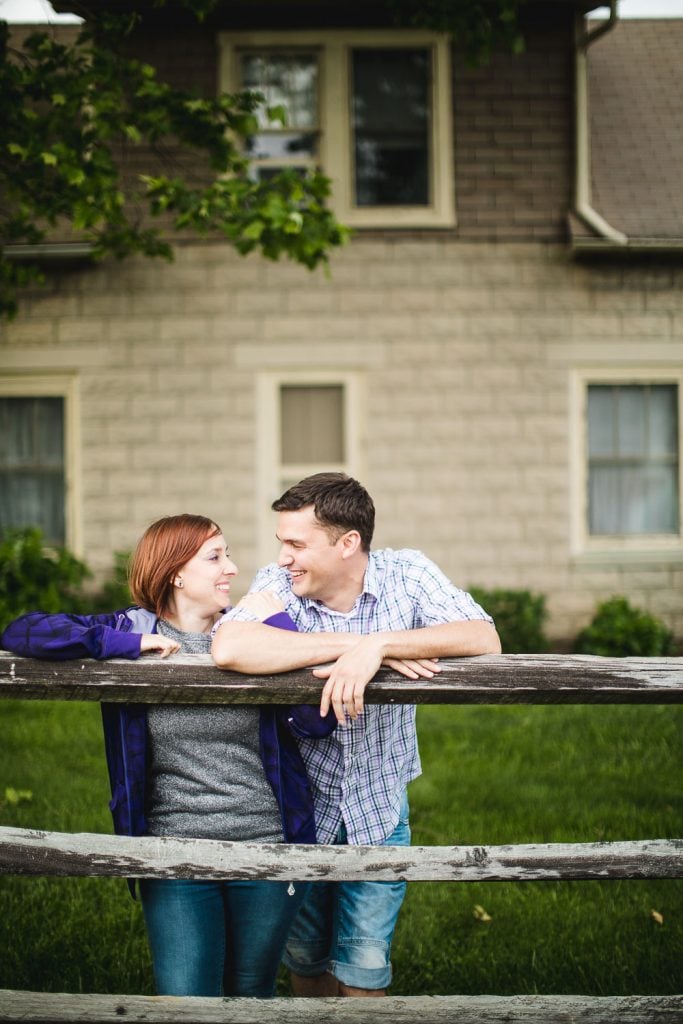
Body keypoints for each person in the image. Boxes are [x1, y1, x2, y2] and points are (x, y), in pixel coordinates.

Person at [1, 513, 336, 999]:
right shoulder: (130, 627)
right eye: (216, 557)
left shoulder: (250, 638)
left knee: (250, 994)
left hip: (268, 842)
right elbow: (22, 632)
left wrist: (277, 623)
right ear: (176, 571)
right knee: (184, 998)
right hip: (171, 846)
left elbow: (317, 723)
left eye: (228, 555)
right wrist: (126, 645)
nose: (232, 569)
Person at [211, 473, 501, 998]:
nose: (283, 557)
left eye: (297, 544)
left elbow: (484, 638)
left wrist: (382, 645)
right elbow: (231, 646)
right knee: (307, 959)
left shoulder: (407, 574)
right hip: (300, 813)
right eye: (282, 542)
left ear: (348, 544)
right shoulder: (278, 586)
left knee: (365, 969)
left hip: (379, 808)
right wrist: (359, 645)